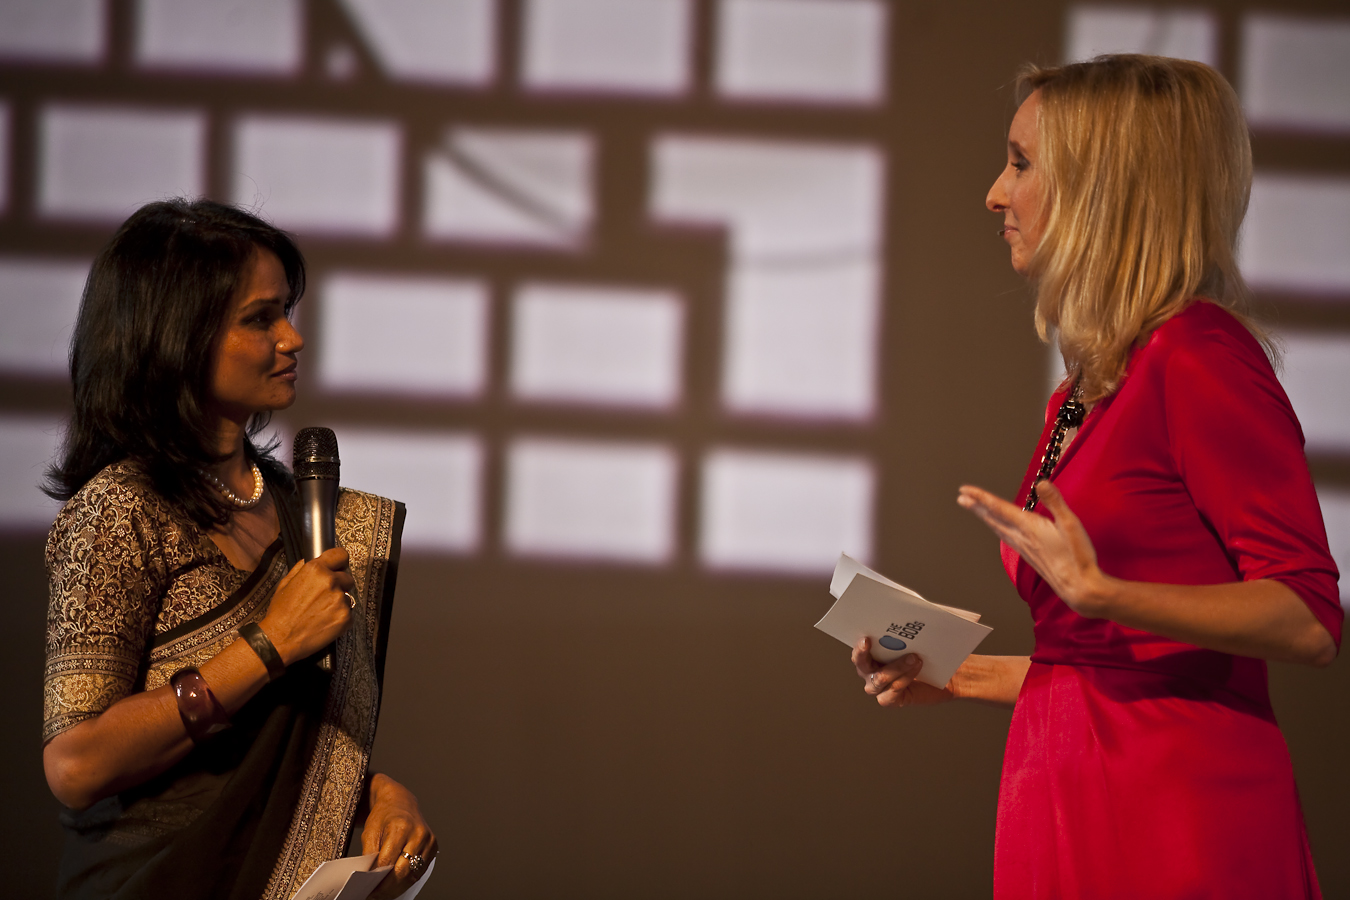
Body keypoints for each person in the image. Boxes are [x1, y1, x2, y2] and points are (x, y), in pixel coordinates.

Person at [850, 55, 1341, 899]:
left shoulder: (1199, 358)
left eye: (1021, 163)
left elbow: (1309, 615)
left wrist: (1108, 593)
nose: (996, 195)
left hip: (1175, 819)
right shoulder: (1087, 385)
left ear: (1100, 188)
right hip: (1064, 789)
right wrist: (953, 669)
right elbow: (1109, 667)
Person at [41, 199, 437, 900]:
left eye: (287, 311)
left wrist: (379, 794)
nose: (293, 338)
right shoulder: (120, 510)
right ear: (177, 336)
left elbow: (279, 742)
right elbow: (77, 765)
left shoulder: (301, 510)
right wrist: (268, 643)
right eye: (261, 319)